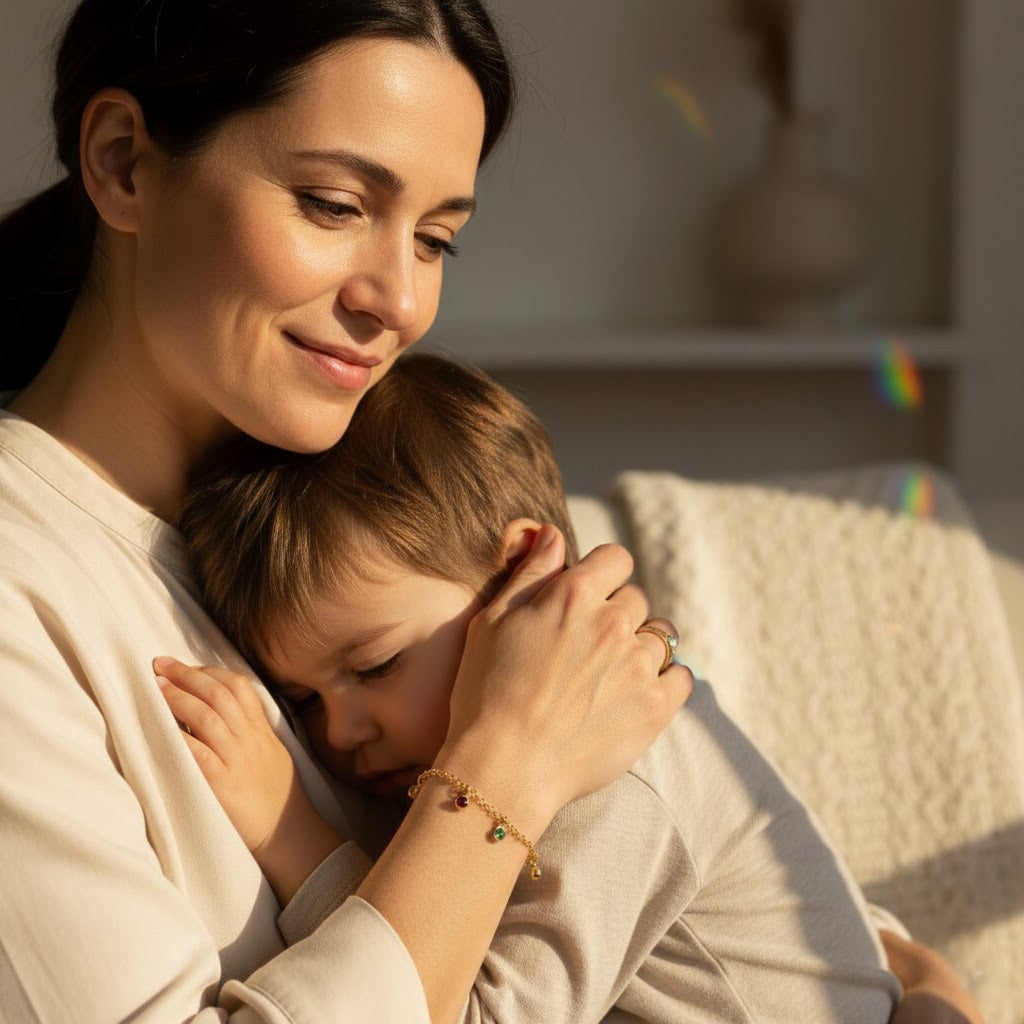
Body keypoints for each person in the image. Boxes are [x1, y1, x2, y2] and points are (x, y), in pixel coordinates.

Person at [0, 1, 980, 1021]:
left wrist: (905, 973)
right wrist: (504, 762)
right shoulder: (35, 582)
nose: (402, 302)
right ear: (121, 162)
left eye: (434, 240)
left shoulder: (316, 525)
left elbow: (716, 874)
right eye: (334, 203)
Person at [169, 350, 905, 1021]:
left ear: (518, 575)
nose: (339, 731)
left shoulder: (618, 777)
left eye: (375, 667)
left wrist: (297, 840)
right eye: (303, 700)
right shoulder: (437, 760)